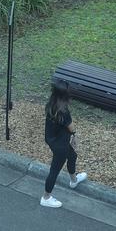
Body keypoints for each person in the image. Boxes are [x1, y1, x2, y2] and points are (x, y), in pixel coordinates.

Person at [41, 80, 88, 208]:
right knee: (54, 170)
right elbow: (71, 128)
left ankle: (74, 180)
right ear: (65, 95)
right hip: (61, 145)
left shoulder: (51, 104)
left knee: (72, 156)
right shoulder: (64, 111)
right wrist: (74, 135)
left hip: (52, 139)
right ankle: (46, 197)